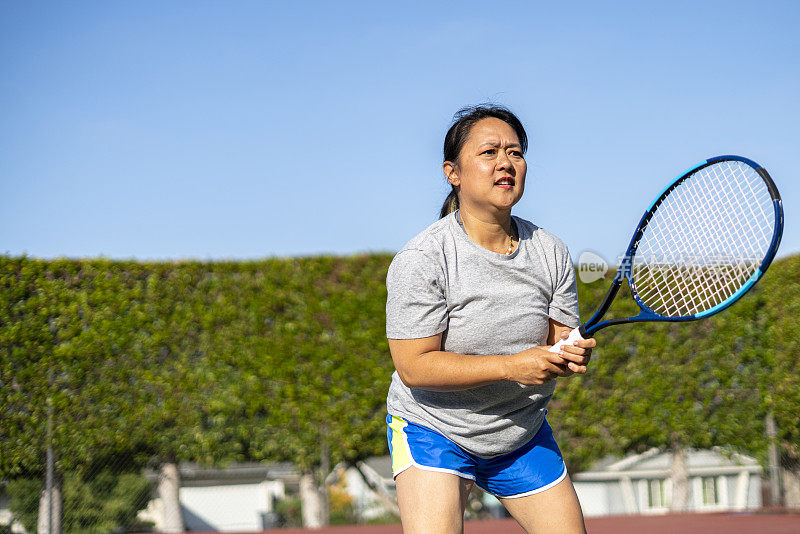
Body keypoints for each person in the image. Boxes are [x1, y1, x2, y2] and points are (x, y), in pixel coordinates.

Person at [385, 104, 596, 534]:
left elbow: (560, 341)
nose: (505, 162)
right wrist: (512, 365)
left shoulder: (551, 251)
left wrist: (569, 355)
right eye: (489, 152)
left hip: (521, 431)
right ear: (453, 172)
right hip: (435, 428)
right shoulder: (422, 258)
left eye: (515, 152)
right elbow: (414, 367)